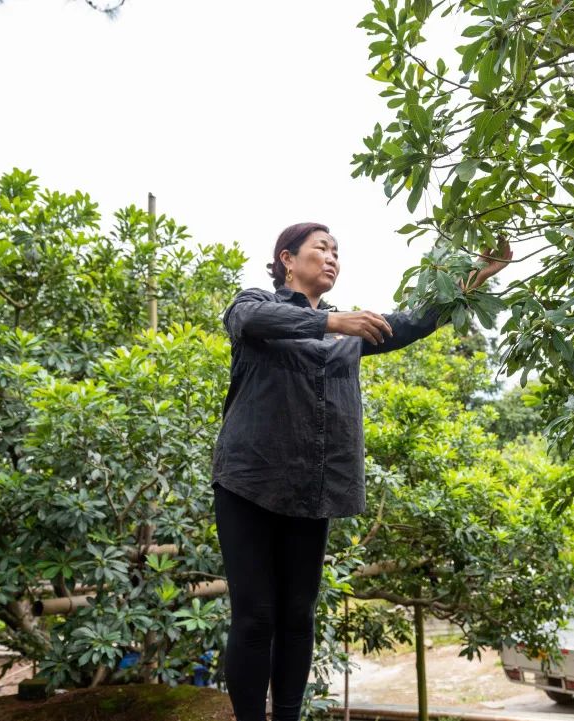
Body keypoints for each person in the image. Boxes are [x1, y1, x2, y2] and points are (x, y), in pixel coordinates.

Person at [210, 222, 510, 721]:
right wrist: (332, 323)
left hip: (313, 488)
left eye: (336, 252)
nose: (331, 258)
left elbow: (413, 321)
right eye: (320, 249)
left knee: (297, 613)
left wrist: (477, 273)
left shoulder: (349, 330)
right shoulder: (256, 302)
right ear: (287, 258)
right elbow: (251, 322)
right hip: (250, 482)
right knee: (255, 615)